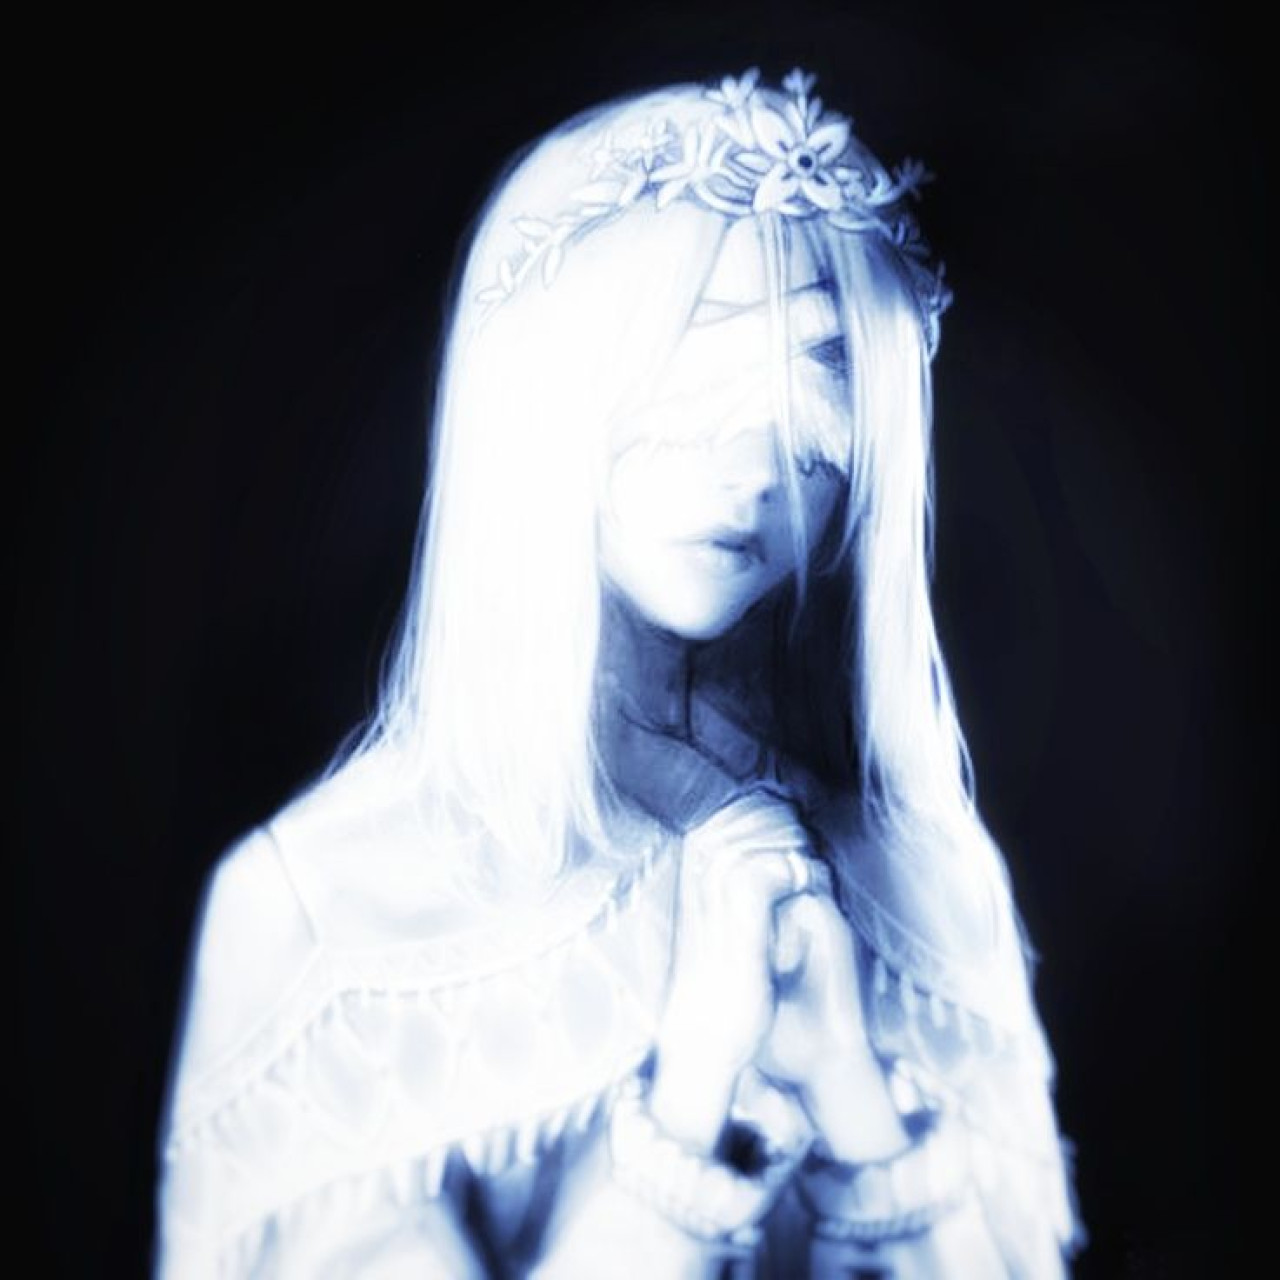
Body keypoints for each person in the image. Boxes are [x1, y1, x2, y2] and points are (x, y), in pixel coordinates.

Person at [154, 68, 1087, 1278]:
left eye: (811, 398)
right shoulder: (319, 911)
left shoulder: (926, 874)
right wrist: (685, 1099)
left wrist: (849, 1086)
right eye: (689, 385)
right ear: (544, 396)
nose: (751, 470)